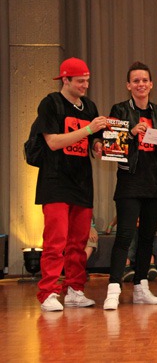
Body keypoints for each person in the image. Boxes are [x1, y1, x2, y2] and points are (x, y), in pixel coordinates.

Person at [34, 57, 109, 312]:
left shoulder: (89, 106)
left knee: (79, 242)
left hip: (81, 182)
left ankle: (75, 289)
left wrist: (98, 145)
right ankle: (48, 292)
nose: (85, 85)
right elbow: (53, 142)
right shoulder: (51, 103)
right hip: (55, 181)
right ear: (65, 80)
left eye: (87, 80)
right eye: (80, 81)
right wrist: (88, 131)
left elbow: (94, 139)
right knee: (55, 241)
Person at [103, 62, 157, 310]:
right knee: (124, 236)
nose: (141, 84)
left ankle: (141, 286)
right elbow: (111, 146)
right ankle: (113, 288)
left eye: (144, 80)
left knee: (147, 238)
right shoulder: (119, 110)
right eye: (136, 81)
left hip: (154, 182)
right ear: (128, 85)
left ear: (151, 84)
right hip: (129, 182)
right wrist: (131, 132)